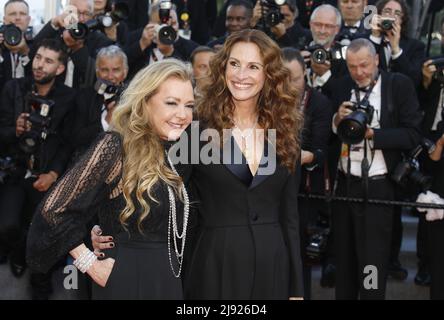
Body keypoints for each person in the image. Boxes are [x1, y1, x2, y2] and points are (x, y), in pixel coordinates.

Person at [94, 29, 305, 300]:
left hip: (272, 267)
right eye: (235, 64)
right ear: (223, 67)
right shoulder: (196, 129)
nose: (242, 75)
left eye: (253, 66)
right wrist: (107, 229)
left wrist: (297, 290)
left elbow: (290, 217)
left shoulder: (286, 130)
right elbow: (157, 186)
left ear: (269, 74)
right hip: (213, 266)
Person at [26, 59, 195, 299]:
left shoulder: (171, 151)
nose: (183, 114)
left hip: (166, 277)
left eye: (189, 105)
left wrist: (104, 224)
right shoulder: (115, 146)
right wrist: (88, 262)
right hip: (126, 279)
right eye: (171, 103)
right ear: (145, 102)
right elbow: (53, 211)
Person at [330, 38, 422, 299]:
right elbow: (328, 134)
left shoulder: (398, 85)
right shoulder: (341, 86)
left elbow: (413, 134)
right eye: (352, 67)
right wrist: (337, 120)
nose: (358, 72)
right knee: (344, 260)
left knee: (372, 262)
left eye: (364, 65)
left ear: (377, 60)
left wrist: (373, 134)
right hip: (345, 183)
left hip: (379, 186)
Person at [0, 39, 76, 299]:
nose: (40, 65)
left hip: (48, 175)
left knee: (45, 233)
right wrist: (15, 130)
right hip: (16, 172)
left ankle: (38, 280)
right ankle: (20, 254)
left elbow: (67, 143)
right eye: (38, 58)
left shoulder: (68, 98)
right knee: (7, 227)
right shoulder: (13, 89)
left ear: (60, 68)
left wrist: (53, 174)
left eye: (48, 60)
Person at [282, 47, 333, 299]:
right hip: (268, 189)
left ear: (306, 73)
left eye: (295, 78)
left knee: (299, 255)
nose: (289, 85)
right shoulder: (265, 100)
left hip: (303, 191)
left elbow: (321, 149)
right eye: (282, 78)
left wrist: (291, 156)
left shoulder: (319, 103)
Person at [0, 0, 33, 92]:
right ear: (4, 19)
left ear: (29, 19)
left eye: (22, 14)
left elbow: (37, 80)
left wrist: (25, 53)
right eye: (12, 14)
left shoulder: (37, 45)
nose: (17, 18)